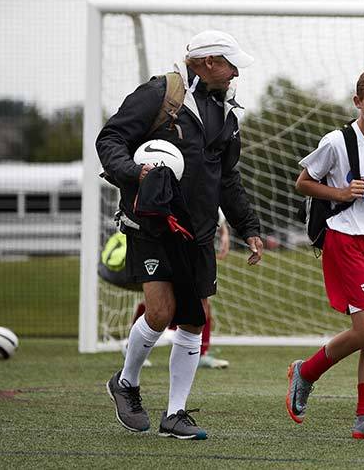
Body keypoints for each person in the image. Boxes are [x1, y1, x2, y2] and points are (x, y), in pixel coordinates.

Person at [96, 30, 264, 440]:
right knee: (159, 312)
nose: (236, 72)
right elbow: (110, 139)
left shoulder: (227, 111)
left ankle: (175, 413)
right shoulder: (159, 94)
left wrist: (248, 227)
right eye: (230, 64)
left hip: (199, 232)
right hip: (151, 225)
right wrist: (137, 172)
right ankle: (126, 382)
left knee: (194, 319)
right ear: (208, 63)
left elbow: (227, 177)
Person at [286, 67, 364, 440]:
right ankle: (306, 372)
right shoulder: (337, 142)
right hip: (346, 239)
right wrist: (340, 193)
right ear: (358, 102)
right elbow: (303, 182)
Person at [124, 209, 231, 369]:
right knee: (160, 306)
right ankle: (131, 353)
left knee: (199, 300)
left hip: (191, 240)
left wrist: (223, 229)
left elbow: (206, 194)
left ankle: (201, 352)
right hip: (158, 238)